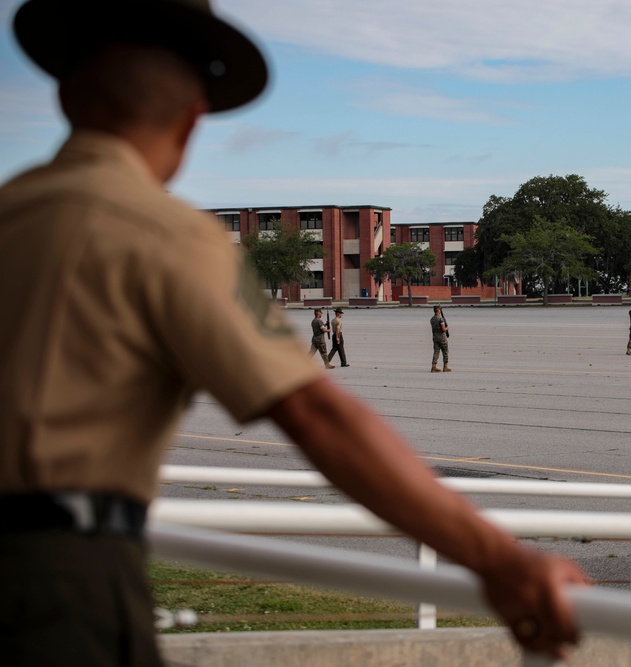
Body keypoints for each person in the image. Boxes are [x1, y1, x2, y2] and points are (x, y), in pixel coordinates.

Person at [0, 1, 585, 664]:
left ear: (66, 92)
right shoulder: (163, 234)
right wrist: (498, 560)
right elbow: (316, 415)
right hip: (49, 581)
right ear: (193, 118)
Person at [430, 305, 450, 372]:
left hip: (435, 338)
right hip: (442, 338)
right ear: (439, 311)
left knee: (436, 352)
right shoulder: (441, 319)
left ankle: (433, 366)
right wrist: (447, 328)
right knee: (445, 351)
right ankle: (445, 366)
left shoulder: (432, 319)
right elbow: (443, 329)